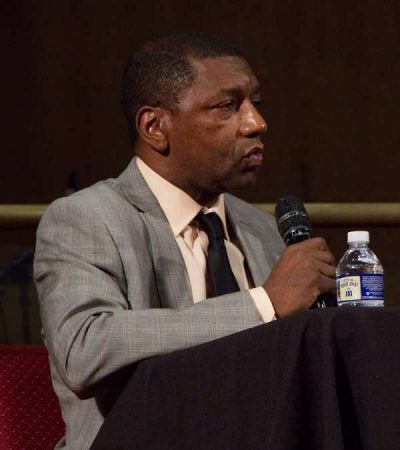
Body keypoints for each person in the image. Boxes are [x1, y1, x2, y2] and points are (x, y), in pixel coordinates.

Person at [33, 31, 337, 449]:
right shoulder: (88, 218)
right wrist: (264, 303)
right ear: (155, 126)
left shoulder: (262, 230)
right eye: (228, 106)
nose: (256, 123)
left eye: (255, 104)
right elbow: (85, 348)